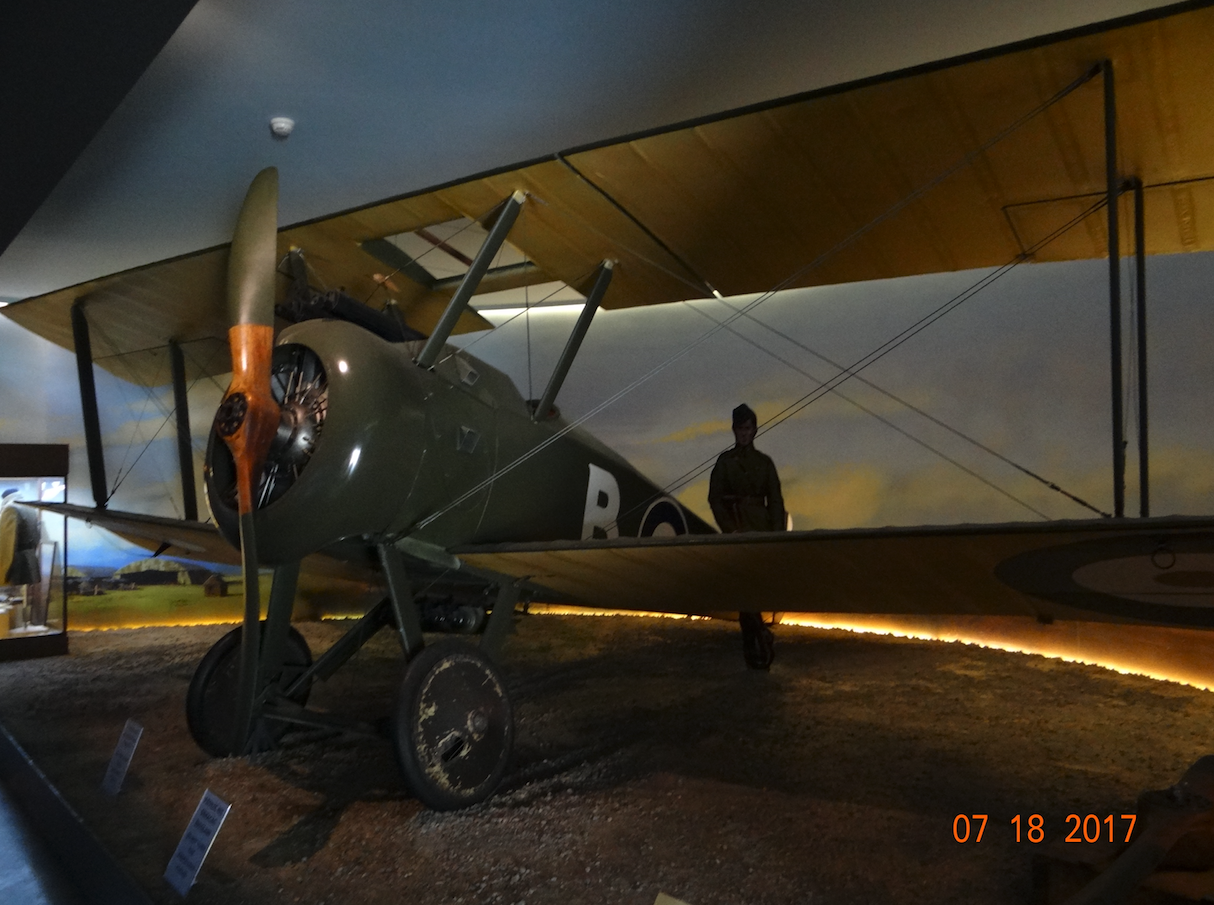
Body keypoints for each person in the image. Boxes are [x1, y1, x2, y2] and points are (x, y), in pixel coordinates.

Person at [707, 404, 785, 670]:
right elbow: (715, 499)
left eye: (748, 428)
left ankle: (757, 642)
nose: (744, 434)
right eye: (740, 429)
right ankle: (756, 642)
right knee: (744, 592)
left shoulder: (764, 463)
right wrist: (730, 529)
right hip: (737, 529)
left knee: (754, 589)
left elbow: (775, 500)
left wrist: (776, 536)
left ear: (754, 430)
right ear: (734, 430)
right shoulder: (725, 463)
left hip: (760, 529)